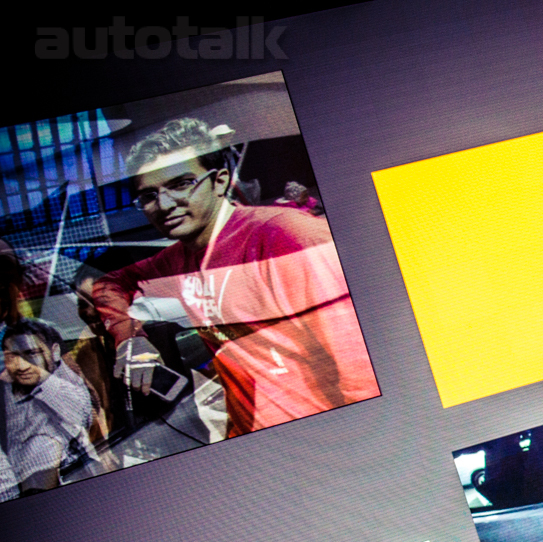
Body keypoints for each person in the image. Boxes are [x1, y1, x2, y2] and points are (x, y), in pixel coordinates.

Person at [90, 118, 378, 439]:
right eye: (148, 196)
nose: (164, 204)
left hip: (319, 435)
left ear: (220, 181)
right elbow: (109, 285)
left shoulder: (284, 235)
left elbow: (362, 366)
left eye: (182, 183)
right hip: (249, 435)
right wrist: (129, 338)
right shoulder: (176, 259)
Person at [2, 319, 95, 495]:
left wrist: (43, 378)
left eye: (31, 354)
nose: (22, 366)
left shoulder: (62, 375)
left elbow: (82, 414)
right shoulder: (7, 394)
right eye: (13, 357)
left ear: (55, 352)